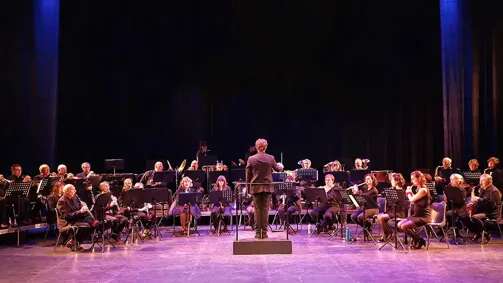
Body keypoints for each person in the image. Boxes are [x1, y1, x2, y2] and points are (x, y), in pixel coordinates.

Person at [246, 138, 284, 239]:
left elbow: (248, 176)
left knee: (257, 210)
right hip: (267, 188)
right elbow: (277, 168)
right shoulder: (270, 158)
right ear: (266, 147)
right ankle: (265, 232)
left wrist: (248, 189)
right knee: (265, 210)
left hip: (255, 188)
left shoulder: (251, 159)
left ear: (257, 147)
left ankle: (258, 233)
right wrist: (281, 166)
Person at [398, 171, 431, 249]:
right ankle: (419, 239)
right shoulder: (418, 189)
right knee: (399, 224)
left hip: (423, 216)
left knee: (403, 226)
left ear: (419, 178)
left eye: (413, 179)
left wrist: (408, 193)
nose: (412, 181)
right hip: (416, 215)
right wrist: (410, 194)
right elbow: (414, 201)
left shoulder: (423, 190)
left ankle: (418, 240)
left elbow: (412, 200)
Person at [467, 174, 502, 242]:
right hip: (484, 210)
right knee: (468, 217)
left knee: (474, 217)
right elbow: (481, 201)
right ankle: (480, 233)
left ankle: (484, 233)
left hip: (491, 213)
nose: (480, 182)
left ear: (488, 181)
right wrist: (473, 203)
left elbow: (492, 205)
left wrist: (479, 199)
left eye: (482, 180)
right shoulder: (483, 189)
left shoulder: (494, 191)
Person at [376, 173, 408, 241]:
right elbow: (389, 204)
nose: (391, 182)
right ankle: (388, 233)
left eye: (392, 180)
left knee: (381, 217)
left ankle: (387, 234)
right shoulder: (391, 190)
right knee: (379, 216)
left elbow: (400, 206)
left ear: (397, 181)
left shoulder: (402, 191)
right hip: (392, 212)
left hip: (399, 213)